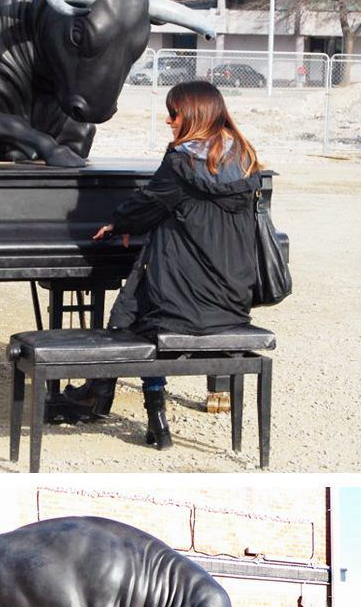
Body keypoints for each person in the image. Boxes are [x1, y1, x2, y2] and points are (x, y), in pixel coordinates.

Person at [62, 80, 263, 449]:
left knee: (132, 313)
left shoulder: (183, 161)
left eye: (174, 113)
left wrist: (117, 224)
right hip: (232, 300)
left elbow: (148, 202)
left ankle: (147, 412)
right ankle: (106, 397)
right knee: (145, 285)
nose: (169, 120)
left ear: (194, 115)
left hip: (181, 307)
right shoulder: (246, 160)